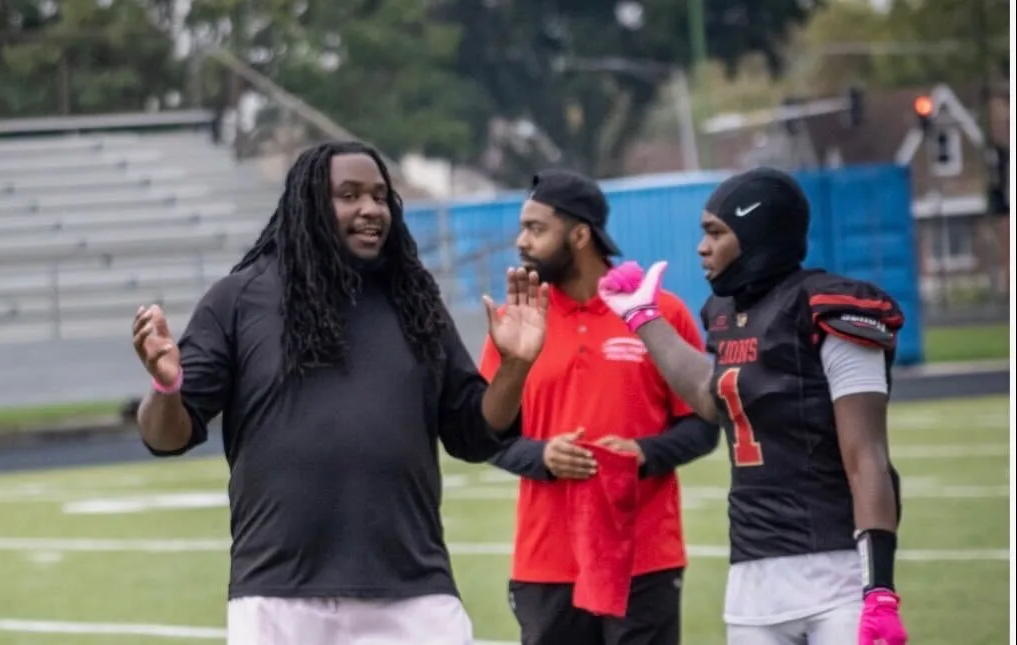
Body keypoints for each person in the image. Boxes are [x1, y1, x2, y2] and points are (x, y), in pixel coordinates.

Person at [131, 140, 550, 645]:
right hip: (280, 594)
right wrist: (166, 384)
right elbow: (167, 436)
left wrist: (515, 368)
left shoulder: (415, 301)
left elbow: (474, 433)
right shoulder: (238, 299)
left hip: (413, 591)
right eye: (348, 195)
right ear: (308, 203)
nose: (370, 209)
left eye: (379, 196)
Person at [596, 167, 908, 645]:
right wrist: (645, 319)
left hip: (837, 567)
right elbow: (709, 397)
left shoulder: (829, 306)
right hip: (753, 577)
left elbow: (867, 457)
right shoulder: (724, 315)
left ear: (758, 232)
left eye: (716, 232)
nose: (702, 247)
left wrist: (879, 590)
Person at [482, 169, 720, 645]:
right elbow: (486, 434)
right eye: (522, 228)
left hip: (644, 557)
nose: (521, 241)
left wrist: (644, 454)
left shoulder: (659, 312)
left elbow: (705, 427)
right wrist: (542, 457)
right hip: (546, 560)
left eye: (535, 228)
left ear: (580, 234)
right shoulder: (515, 323)